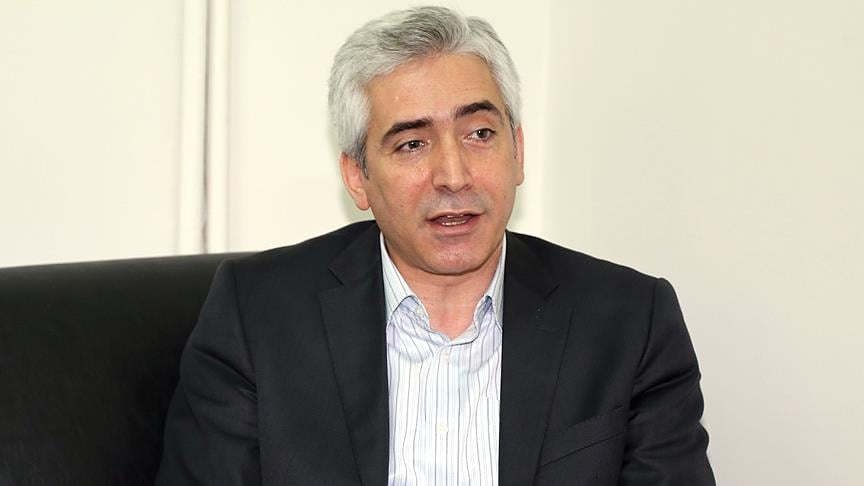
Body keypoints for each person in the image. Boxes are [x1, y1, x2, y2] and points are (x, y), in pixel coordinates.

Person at [157, 6, 714, 485]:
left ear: (518, 151)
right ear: (357, 178)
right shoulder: (257, 316)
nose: (453, 175)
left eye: (480, 134)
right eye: (412, 144)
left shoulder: (630, 321)